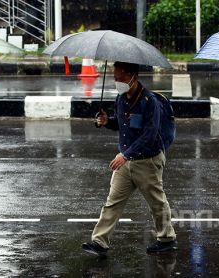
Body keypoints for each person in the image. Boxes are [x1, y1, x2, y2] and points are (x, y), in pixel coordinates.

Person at [82, 61, 177, 257]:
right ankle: (100, 242)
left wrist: (126, 155)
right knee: (112, 202)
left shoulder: (149, 102)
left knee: (156, 202)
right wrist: (107, 121)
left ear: (133, 77)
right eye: (115, 78)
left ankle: (167, 239)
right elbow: (123, 125)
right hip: (125, 160)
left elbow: (149, 134)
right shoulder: (121, 99)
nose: (117, 82)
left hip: (147, 160)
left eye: (120, 78)